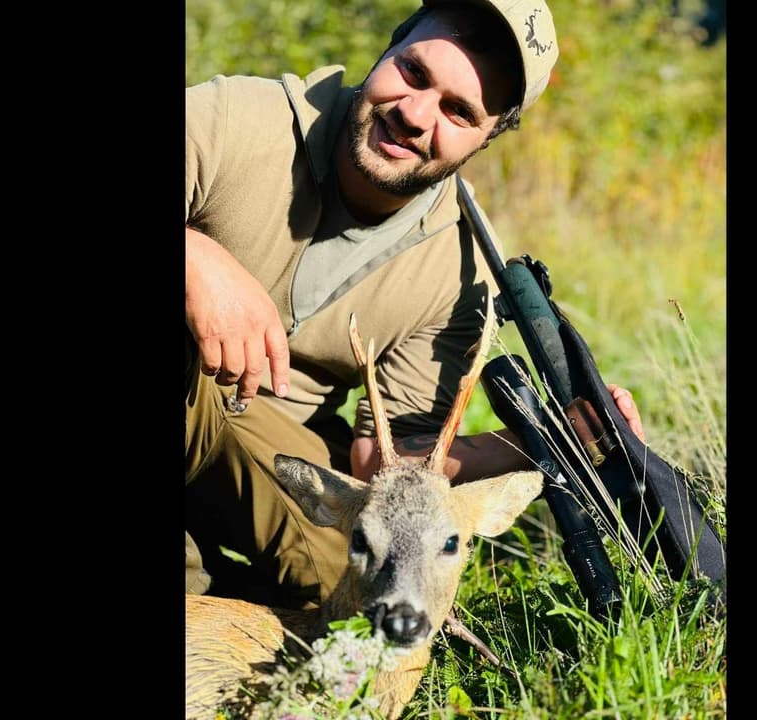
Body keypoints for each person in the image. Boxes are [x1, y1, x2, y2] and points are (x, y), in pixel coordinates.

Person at [185, 0, 645, 610]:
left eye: (459, 111)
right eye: (414, 72)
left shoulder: (457, 270)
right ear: (389, 46)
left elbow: (386, 463)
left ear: (488, 137)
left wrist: (542, 441)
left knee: (366, 580)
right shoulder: (239, 121)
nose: (414, 114)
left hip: (271, 459)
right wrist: (196, 258)